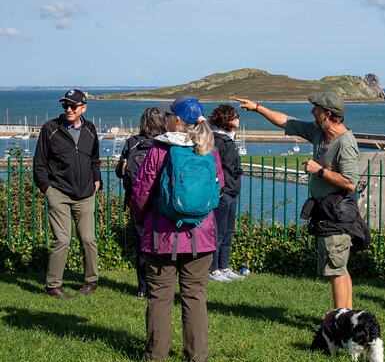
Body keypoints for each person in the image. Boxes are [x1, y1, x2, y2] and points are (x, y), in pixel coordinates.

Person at [234, 93, 360, 309]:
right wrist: (257, 107)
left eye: (316, 109)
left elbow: (350, 183)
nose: (312, 112)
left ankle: (339, 320)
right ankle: (346, 315)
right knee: (339, 267)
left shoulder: (345, 143)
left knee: (336, 270)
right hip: (326, 210)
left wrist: (319, 171)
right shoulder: (319, 132)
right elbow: (286, 121)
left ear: (327, 114)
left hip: (336, 212)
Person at [130, 96, 224, 362]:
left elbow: (141, 191)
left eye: (171, 115)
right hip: (201, 238)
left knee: (159, 296)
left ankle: (156, 355)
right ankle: (197, 355)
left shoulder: (160, 150)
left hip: (162, 236)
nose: (168, 118)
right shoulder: (210, 151)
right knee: (195, 296)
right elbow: (218, 190)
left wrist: (142, 219)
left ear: (179, 120)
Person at [33, 89, 102, 299]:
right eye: (65, 105)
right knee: (62, 240)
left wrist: (97, 180)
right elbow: (39, 163)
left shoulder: (90, 129)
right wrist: (47, 189)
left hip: (86, 194)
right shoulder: (50, 129)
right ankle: (53, 286)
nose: (68, 109)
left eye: (73, 106)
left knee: (88, 239)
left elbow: (94, 158)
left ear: (83, 107)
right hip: (59, 193)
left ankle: (92, 281)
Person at [114, 107, 167, 299]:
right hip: (161, 202)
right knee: (162, 245)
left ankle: (142, 288)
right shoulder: (166, 143)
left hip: (137, 202)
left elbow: (120, 171)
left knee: (142, 246)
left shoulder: (132, 143)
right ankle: (160, 285)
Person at [208, 104, 245, 282]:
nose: (238, 120)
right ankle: (213, 269)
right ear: (227, 120)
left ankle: (224, 266)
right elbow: (215, 167)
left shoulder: (228, 139)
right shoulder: (218, 140)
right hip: (224, 192)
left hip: (232, 190)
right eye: (235, 117)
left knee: (228, 231)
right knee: (219, 232)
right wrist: (220, 191)